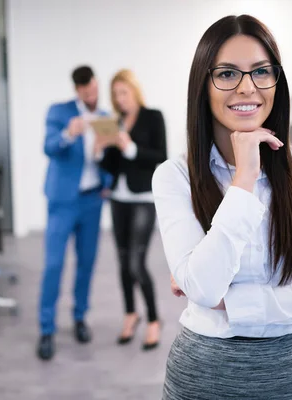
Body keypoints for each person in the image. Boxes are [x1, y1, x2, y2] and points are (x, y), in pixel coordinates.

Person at [152, 15, 292, 399]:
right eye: (228, 74)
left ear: (276, 83)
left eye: (261, 71)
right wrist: (245, 177)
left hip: (283, 374)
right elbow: (202, 287)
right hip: (201, 376)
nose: (247, 87)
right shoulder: (175, 176)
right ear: (203, 84)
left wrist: (231, 302)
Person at [38, 66, 112, 360]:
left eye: (94, 90)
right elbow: (48, 147)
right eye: (85, 92)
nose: (91, 95)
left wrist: (106, 178)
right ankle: (46, 329)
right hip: (63, 201)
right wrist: (69, 133)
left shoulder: (105, 118)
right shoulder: (59, 112)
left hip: (92, 201)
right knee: (54, 265)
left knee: (87, 263)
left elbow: (109, 161)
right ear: (77, 90)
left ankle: (80, 316)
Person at [96, 69, 167, 350]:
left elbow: (160, 155)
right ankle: (130, 314)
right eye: (115, 94)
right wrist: (102, 150)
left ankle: (153, 319)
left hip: (143, 197)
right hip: (118, 196)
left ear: (134, 91)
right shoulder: (113, 122)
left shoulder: (153, 116)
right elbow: (111, 166)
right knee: (122, 260)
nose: (120, 99)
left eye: (123, 92)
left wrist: (131, 148)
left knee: (137, 261)